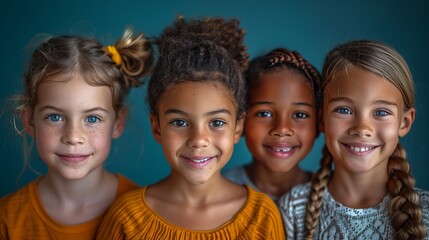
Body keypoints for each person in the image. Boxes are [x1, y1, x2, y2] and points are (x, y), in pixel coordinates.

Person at [96, 16, 285, 239]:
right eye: (180, 122)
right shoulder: (126, 217)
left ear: (237, 128)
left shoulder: (262, 216)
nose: (198, 139)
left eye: (216, 123)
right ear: (156, 127)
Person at [0, 27, 153, 239]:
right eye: (55, 117)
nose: (73, 137)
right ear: (29, 121)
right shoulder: (6, 219)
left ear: (118, 122)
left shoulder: (145, 215)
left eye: (92, 118)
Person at [277, 40, 429, 239]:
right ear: (322, 118)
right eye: (344, 110)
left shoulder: (424, 214)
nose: (362, 129)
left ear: (405, 122)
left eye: (381, 112)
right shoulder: (294, 209)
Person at [223, 48, 321, 200]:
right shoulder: (216, 195)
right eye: (264, 114)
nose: (282, 129)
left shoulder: (333, 197)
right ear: (241, 121)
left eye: (300, 114)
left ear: (319, 123)